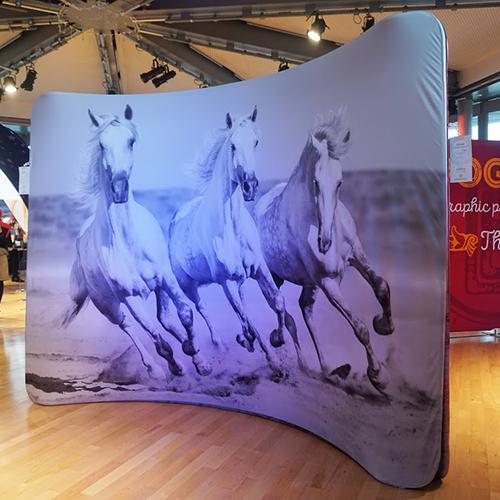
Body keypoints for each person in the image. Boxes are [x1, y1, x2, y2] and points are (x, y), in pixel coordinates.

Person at [0, 209, 11, 304]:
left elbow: (8, 243)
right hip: (2, 256)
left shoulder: (6, 227)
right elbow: (8, 244)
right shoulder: (6, 227)